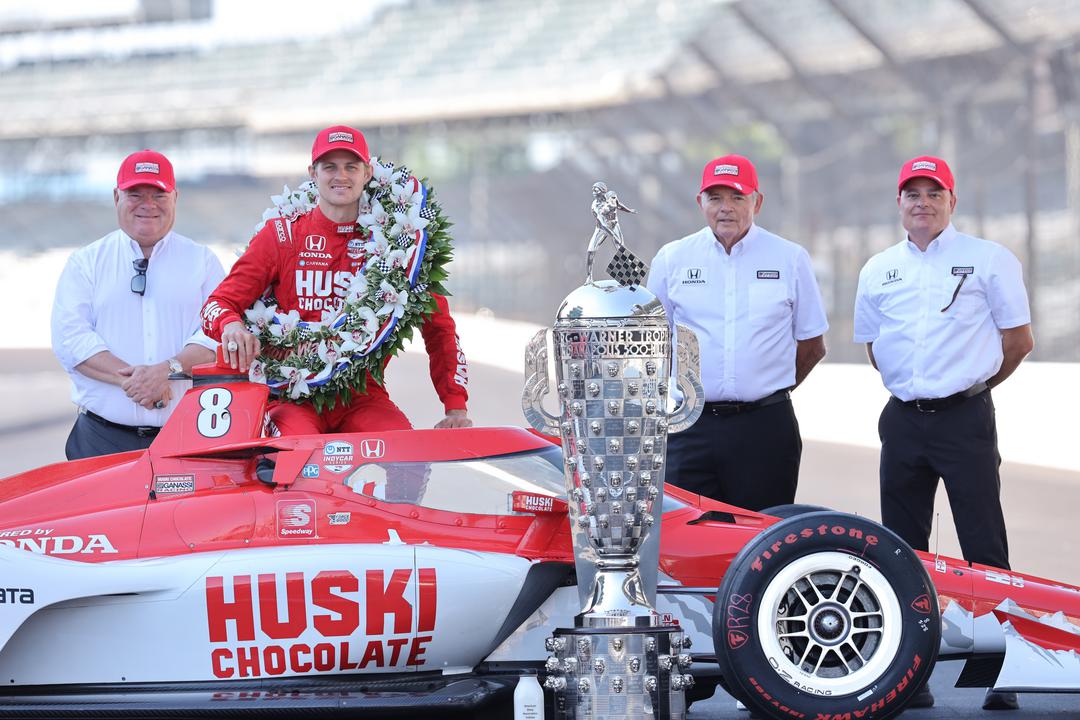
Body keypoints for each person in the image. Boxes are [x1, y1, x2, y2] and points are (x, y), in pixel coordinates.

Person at [853, 155, 1034, 711]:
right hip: (903, 420)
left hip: (966, 418)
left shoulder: (989, 259)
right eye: (913, 193)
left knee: (984, 543)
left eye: (935, 193)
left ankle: (1002, 675)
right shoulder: (877, 268)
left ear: (952, 201)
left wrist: (968, 390)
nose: (923, 202)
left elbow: (1018, 340)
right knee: (901, 550)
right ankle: (910, 677)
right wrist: (916, 391)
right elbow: (872, 345)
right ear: (899, 203)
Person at [200, 125, 470, 434]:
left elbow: (440, 330)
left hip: (363, 397)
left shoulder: (398, 246)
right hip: (292, 397)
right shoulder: (281, 235)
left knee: (406, 460)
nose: (340, 175)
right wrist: (231, 325)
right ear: (312, 173)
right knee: (297, 456)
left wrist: (455, 406)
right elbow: (216, 305)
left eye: (350, 166)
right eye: (329, 166)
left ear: (367, 172)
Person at [646, 154, 828, 511]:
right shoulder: (672, 259)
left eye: (737, 197)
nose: (725, 208)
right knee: (686, 536)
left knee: (762, 539)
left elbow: (813, 344)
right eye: (715, 198)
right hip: (689, 428)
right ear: (700, 203)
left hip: (765, 429)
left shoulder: (789, 259)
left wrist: (770, 386)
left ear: (757, 202)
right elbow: (655, 343)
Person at [51, 150, 225, 459]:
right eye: (135, 193)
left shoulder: (203, 262)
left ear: (175, 197)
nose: (148, 204)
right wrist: (139, 381)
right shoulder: (86, 262)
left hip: (186, 442)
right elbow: (71, 339)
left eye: (158, 193)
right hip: (101, 440)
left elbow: (216, 334)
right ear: (116, 196)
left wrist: (167, 370)